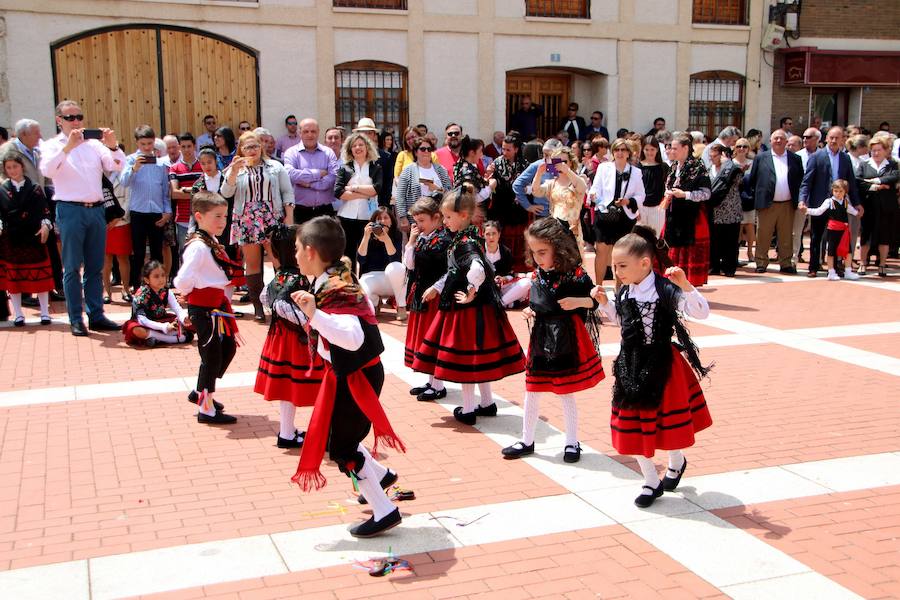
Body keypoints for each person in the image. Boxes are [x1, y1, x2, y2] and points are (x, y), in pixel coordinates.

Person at [289, 215, 405, 538]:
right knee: (342, 441)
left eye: (297, 249)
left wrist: (315, 314)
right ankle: (380, 476)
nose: (294, 255)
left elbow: (352, 337)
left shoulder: (336, 287)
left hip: (357, 376)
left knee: (342, 448)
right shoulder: (336, 276)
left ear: (311, 252)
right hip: (350, 373)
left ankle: (385, 511)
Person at [591, 226, 712, 508]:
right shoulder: (625, 292)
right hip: (630, 364)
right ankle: (650, 480)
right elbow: (623, 324)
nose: (617, 272)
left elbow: (701, 312)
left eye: (622, 266)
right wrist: (605, 304)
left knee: (665, 424)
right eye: (614, 266)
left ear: (644, 263)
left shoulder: (665, 289)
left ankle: (676, 460)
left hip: (663, 365)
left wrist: (686, 286)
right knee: (631, 425)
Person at [411, 185, 526, 425]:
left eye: (448, 217)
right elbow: (457, 270)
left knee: (465, 358)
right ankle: (486, 402)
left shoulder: (465, 241)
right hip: (477, 306)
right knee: (478, 356)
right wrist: (438, 287)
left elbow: (476, 268)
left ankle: (469, 408)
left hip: (465, 308)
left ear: (463, 216)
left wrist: (471, 290)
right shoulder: (470, 235)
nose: (445, 221)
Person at [501, 217, 604, 463]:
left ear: (557, 247)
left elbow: (594, 301)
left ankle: (572, 442)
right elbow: (540, 301)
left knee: (565, 391)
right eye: (534, 251)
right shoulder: (537, 275)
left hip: (567, 336)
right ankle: (527, 440)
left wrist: (577, 302)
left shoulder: (575, 273)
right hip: (541, 337)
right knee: (532, 390)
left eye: (542, 251)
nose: (537, 257)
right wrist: (532, 311)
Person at [39, 100, 125, 336]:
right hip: (70, 209)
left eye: (79, 117)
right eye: (70, 118)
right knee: (72, 267)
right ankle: (76, 317)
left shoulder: (94, 145)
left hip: (96, 209)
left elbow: (117, 165)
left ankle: (96, 314)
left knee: (95, 267)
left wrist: (113, 145)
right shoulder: (51, 146)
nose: (76, 122)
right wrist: (67, 147)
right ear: (59, 121)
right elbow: (47, 170)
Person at [173, 191, 240, 425]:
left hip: (215, 306)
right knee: (211, 355)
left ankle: (200, 391)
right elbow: (181, 281)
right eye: (217, 216)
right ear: (199, 216)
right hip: (204, 308)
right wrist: (191, 293)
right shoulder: (199, 246)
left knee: (226, 348)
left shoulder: (209, 241)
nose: (222, 221)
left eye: (224, 216)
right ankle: (206, 407)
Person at [254, 224, 323, 448]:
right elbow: (280, 304)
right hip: (296, 340)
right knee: (317, 383)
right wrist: (309, 322)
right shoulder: (297, 279)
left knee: (286, 385)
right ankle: (325, 432)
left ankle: (287, 431)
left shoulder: (280, 276)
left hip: (280, 338)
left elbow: (266, 297)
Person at [220, 131, 294, 321]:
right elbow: (226, 193)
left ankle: (282, 304)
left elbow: (287, 192)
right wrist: (234, 171)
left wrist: (289, 217)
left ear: (261, 147)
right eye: (247, 147)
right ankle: (258, 308)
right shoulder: (236, 169)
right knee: (252, 264)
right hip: (247, 219)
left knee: (278, 259)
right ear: (241, 150)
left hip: (272, 217)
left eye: (255, 146)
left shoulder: (275, 166)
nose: (252, 150)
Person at [403, 197, 451, 402]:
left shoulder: (444, 240)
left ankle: (438, 385)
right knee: (425, 338)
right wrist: (411, 241)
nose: (418, 225)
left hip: (435, 296)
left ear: (436, 218)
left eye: (422, 220)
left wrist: (437, 288)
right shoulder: (422, 238)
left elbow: (451, 270)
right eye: (416, 221)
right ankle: (432, 382)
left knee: (433, 338)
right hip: (422, 294)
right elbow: (410, 265)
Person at [0, 154, 54, 326]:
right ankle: (18, 314)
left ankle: (45, 313)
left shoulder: (35, 188)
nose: (12, 171)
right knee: (14, 277)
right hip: (12, 239)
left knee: (40, 276)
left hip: (33, 236)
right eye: (8, 168)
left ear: (21, 167)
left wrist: (46, 225)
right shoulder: (2, 190)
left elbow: (45, 211)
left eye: (15, 167)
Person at [799, 127, 860, 278]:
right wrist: (802, 200)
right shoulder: (816, 156)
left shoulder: (845, 159)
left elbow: (851, 182)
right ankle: (813, 266)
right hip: (820, 202)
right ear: (826, 139)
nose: (833, 141)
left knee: (838, 238)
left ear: (842, 140)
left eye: (837, 138)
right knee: (816, 236)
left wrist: (857, 203)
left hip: (839, 206)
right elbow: (807, 182)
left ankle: (836, 267)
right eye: (831, 137)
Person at [744, 129, 803, 274]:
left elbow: (800, 180)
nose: (778, 141)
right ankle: (761, 262)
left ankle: (786, 263)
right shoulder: (761, 158)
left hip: (788, 204)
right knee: (763, 234)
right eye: (775, 138)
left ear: (786, 141)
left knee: (786, 235)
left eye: (781, 138)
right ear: (770, 141)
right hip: (767, 204)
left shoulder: (795, 158)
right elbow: (752, 179)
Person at [590, 138, 646, 286]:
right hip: (605, 215)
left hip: (625, 217)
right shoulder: (603, 168)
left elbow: (641, 195)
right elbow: (594, 190)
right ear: (612, 152)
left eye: (623, 150)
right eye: (616, 150)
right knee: (601, 251)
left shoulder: (636, 172)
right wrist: (600, 201)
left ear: (628, 153)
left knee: (621, 254)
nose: (620, 153)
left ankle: (619, 290)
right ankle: (599, 286)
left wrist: (628, 201)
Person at [660, 132, 712, 286]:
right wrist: (668, 193)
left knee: (687, 253)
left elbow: (706, 193)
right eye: (670, 148)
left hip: (691, 218)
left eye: (675, 148)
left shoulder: (698, 166)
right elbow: (668, 186)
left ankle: (687, 287)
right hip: (673, 216)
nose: (671, 151)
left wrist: (685, 194)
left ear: (685, 148)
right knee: (670, 251)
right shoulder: (674, 166)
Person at [333, 131, 383, 269]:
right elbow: (338, 192)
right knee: (347, 254)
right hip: (346, 217)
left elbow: (376, 189)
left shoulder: (376, 167)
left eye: (361, 144)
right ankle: (350, 283)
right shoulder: (345, 168)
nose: (357, 148)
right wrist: (364, 193)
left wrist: (353, 188)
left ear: (367, 147)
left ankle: (365, 282)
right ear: (350, 149)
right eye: (354, 145)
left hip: (367, 216)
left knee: (366, 252)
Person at [121, 260, 193, 346]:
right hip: (145, 324)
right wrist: (164, 327)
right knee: (136, 330)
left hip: (162, 319)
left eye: (163, 275)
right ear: (147, 280)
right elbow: (142, 320)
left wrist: (184, 318)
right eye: (156, 276)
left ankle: (155, 339)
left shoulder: (166, 291)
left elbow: (177, 308)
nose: (161, 279)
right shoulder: (142, 295)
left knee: (192, 322)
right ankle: (176, 339)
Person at [856, 134, 899, 277]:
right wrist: (877, 186)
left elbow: (893, 177)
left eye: (879, 150)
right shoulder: (864, 164)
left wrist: (875, 181)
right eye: (873, 150)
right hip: (868, 206)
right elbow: (859, 181)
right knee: (866, 235)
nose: (876, 153)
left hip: (886, 207)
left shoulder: (892, 165)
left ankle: (882, 264)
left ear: (886, 151)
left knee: (884, 236)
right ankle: (863, 263)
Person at [282, 118, 340, 223]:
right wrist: (319, 173)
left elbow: (333, 178)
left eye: (313, 131)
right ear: (300, 133)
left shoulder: (328, 153)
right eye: (306, 131)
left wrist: (309, 184)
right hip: (300, 211)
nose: (310, 135)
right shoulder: (291, 153)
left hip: (325, 210)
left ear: (318, 132)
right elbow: (290, 174)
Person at [801, 180, 860, 281]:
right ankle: (831, 271)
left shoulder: (846, 202)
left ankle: (848, 271)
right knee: (831, 251)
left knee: (848, 251)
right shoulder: (829, 202)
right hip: (833, 230)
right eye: (835, 191)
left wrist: (858, 213)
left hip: (844, 230)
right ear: (832, 191)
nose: (838, 193)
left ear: (845, 192)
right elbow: (819, 211)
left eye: (841, 191)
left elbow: (853, 212)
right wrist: (807, 210)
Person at [487, 134, 530, 271]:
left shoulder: (525, 164)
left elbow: (530, 182)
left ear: (516, 149)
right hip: (501, 206)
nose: (504, 152)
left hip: (518, 207)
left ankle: (519, 267)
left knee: (519, 238)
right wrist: (489, 177)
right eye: (503, 149)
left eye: (508, 150)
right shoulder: (496, 163)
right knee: (503, 237)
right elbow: (490, 181)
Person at [532, 146, 588, 245]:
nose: (561, 165)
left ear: (571, 162)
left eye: (565, 162)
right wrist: (539, 173)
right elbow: (536, 192)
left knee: (573, 259)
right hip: (555, 229)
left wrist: (567, 171)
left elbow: (582, 187)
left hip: (573, 230)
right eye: (558, 162)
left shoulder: (579, 179)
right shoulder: (552, 183)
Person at [394, 136, 451, 233]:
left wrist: (437, 189)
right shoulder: (408, 170)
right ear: (416, 152)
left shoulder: (440, 169)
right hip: (416, 221)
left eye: (429, 149)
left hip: (438, 219)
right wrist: (403, 218)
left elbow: (450, 193)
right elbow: (400, 196)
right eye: (423, 149)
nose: (426, 152)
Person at [357, 207, 405, 320]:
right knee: (368, 309)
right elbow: (361, 260)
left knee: (397, 267)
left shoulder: (397, 235)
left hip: (392, 280)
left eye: (386, 218)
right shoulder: (366, 236)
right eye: (379, 219)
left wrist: (386, 239)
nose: (382, 221)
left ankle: (401, 306)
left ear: (392, 221)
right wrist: (366, 236)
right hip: (371, 277)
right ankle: (375, 302)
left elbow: (395, 260)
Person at [708, 144, 744, 277]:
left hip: (731, 212)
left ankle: (729, 267)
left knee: (730, 241)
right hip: (714, 212)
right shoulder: (708, 169)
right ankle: (714, 266)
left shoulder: (733, 169)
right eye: (710, 156)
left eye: (715, 155)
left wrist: (727, 163)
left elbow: (740, 181)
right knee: (715, 241)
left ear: (723, 155)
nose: (712, 158)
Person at [168, 133, 203, 250]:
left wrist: (186, 191)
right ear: (179, 148)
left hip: (203, 217)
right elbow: (175, 194)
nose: (186, 149)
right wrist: (198, 193)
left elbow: (208, 191)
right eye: (183, 147)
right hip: (183, 219)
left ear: (194, 146)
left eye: (189, 146)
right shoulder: (174, 168)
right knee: (185, 255)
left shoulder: (204, 165)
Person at [484, 220, 530, 307]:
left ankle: (500, 304)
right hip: (484, 289)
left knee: (527, 282)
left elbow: (510, 274)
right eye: (488, 234)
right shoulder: (479, 251)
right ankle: (509, 303)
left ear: (499, 234)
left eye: (494, 233)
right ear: (483, 235)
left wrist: (504, 278)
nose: (491, 237)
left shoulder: (506, 251)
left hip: (502, 287)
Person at [453, 136, 494, 213]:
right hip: (471, 215)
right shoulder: (466, 171)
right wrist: (490, 187)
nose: (482, 155)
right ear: (472, 152)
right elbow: (468, 198)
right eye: (480, 151)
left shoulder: (464, 165)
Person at [638, 134, 669, 236]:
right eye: (647, 149)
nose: (649, 152)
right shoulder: (637, 167)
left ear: (657, 150)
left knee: (655, 237)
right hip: (640, 208)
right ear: (642, 150)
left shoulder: (663, 167)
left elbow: (668, 187)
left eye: (652, 149)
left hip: (658, 208)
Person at [732, 138, 756, 264]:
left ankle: (750, 252)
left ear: (748, 149)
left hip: (749, 199)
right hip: (735, 199)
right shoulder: (731, 163)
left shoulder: (753, 162)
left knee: (750, 226)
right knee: (738, 227)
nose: (741, 149)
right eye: (739, 146)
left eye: (745, 146)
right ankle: (736, 254)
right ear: (735, 148)